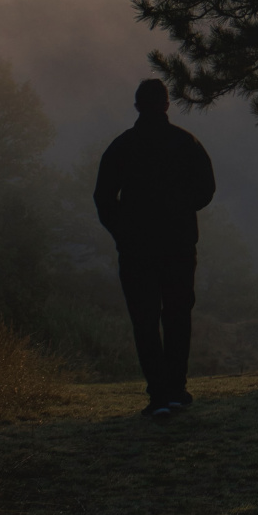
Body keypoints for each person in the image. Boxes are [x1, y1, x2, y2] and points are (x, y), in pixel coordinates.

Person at [93, 78, 216, 419]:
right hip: (178, 245)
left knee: (144, 321)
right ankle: (177, 389)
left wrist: (123, 232)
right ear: (166, 105)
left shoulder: (122, 146)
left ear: (137, 106)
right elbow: (206, 189)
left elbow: (103, 199)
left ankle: (159, 395)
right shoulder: (185, 143)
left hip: (136, 250)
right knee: (177, 316)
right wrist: (180, 211)